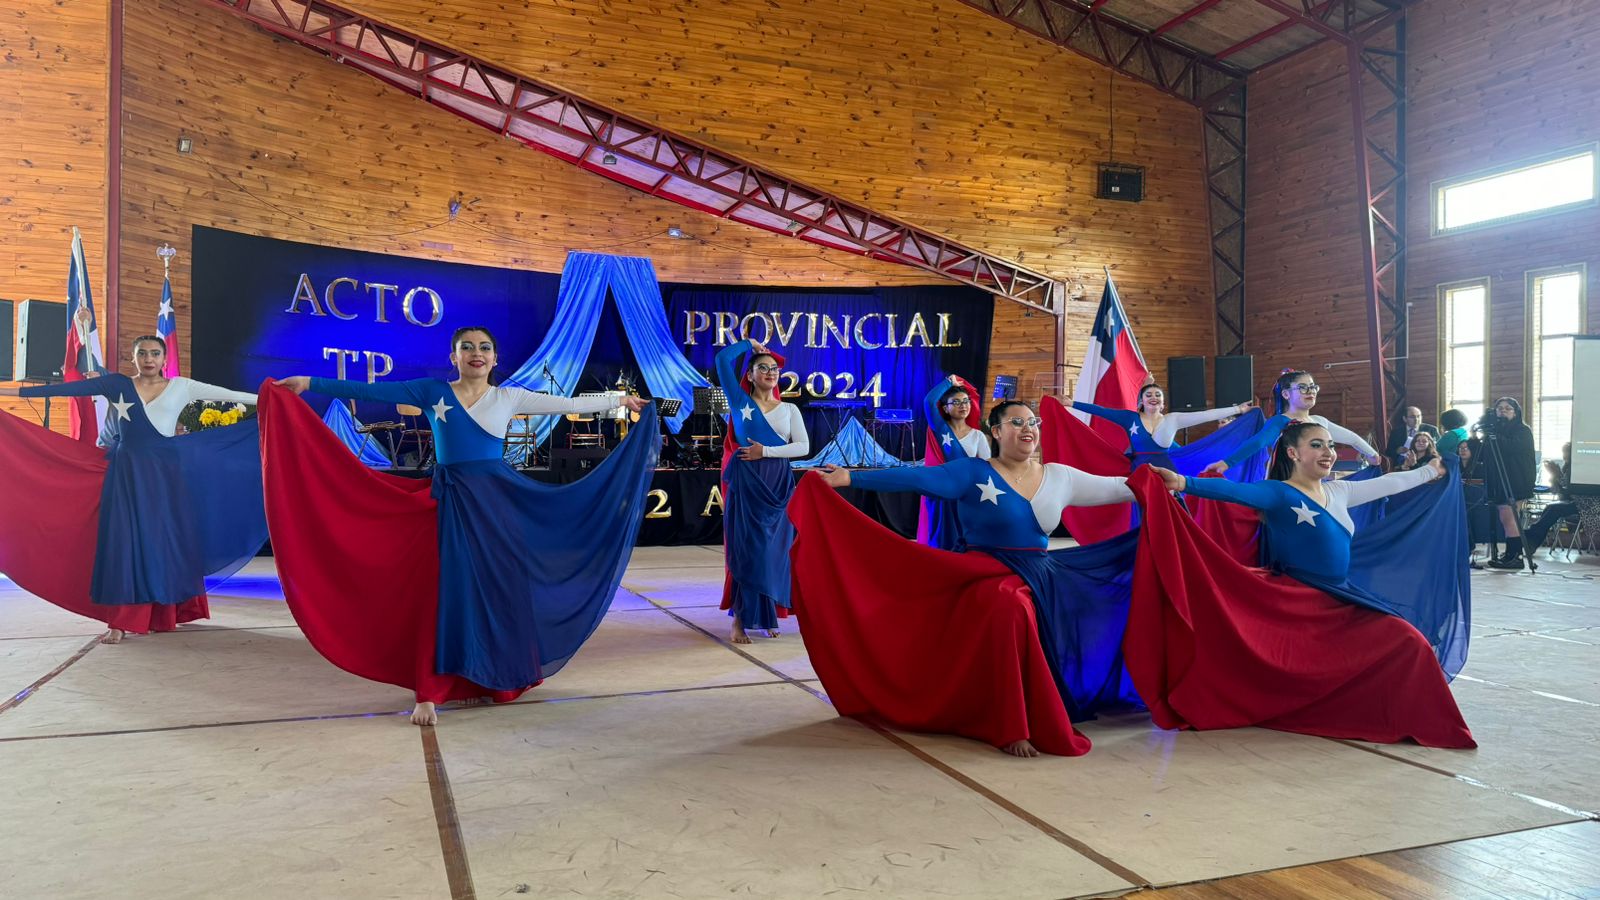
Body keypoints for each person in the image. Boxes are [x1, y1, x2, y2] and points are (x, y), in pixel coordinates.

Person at [269, 326, 656, 725]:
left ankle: (494, 679)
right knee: (442, 593)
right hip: (450, 504)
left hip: (496, 507)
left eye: (485, 347)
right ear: (453, 357)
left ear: (495, 358)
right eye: (466, 347)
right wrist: (309, 382)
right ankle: (430, 690)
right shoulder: (431, 391)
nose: (477, 353)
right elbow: (370, 391)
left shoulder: (509, 397)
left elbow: (568, 403)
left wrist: (620, 400)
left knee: (498, 590)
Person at [791, 399, 1140, 758]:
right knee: (1009, 606)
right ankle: (1010, 723)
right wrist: (851, 477)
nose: (1028, 429)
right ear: (996, 431)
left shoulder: (1060, 476)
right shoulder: (973, 472)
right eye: (1017, 422)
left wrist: (1161, 482)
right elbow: (917, 478)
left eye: (1032, 422)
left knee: (1094, 594)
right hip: (984, 571)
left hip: (1040, 573)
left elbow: (1119, 487)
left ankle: (1038, 705)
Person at [1132, 422, 1474, 748]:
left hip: (1340, 598)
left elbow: (1391, 483)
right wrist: (1182, 481)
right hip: (1297, 602)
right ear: (1293, 453)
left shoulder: (1340, 491)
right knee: (1393, 644)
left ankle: (1392, 714)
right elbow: (1234, 490)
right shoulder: (1279, 492)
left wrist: (1432, 471)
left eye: (1330, 445)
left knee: (1409, 641)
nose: (1328, 452)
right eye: (1317, 445)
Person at [0, 335, 265, 643]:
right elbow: (61, 390)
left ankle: (165, 611)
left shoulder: (183, 387)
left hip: (165, 475)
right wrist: (8, 390)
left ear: (164, 359)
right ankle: (121, 620)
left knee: (164, 540)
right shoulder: (116, 384)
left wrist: (275, 396)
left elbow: (234, 396)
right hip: (126, 474)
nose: (149, 358)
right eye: (142, 353)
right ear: (133, 358)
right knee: (123, 542)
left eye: (155, 353)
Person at [715, 339, 809, 644]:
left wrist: (765, 451)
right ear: (750, 375)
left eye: (774, 369)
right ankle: (740, 621)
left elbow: (803, 447)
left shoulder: (790, 409)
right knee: (746, 550)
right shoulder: (740, 402)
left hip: (778, 484)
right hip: (747, 484)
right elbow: (722, 360)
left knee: (774, 552)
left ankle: (767, 614)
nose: (770, 372)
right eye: (763, 368)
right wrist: (749, 344)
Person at [1203, 369, 1382, 476]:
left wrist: (1373, 455)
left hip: (1315, 483)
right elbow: (1258, 443)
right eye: (1303, 387)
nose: (1310, 391)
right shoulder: (1280, 421)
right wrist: (1227, 463)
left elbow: (1352, 438)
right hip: (1287, 484)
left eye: (1313, 387)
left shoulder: (1320, 421)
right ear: (1286, 394)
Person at [1062, 383, 1255, 471]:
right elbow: (1101, 411)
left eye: (1158, 395)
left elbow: (1206, 415)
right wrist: (1072, 404)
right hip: (1139, 471)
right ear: (1141, 402)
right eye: (1149, 395)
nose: (1153, 397)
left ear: (1163, 403)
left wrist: (1238, 409)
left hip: (1166, 471)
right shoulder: (1129, 418)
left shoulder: (1173, 419)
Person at [918, 374, 988, 550]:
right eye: (956, 402)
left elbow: (987, 466)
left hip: (966, 494)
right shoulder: (940, 429)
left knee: (966, 540)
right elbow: (929, 401)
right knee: (941, 539)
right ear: (945, 408)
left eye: (966, 401)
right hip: (941, 492)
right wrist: (948, 382)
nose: (963, 405)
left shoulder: (978, 435)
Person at [1481, 397, 1537, 570]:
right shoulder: (1495, 431)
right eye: (1499, 408)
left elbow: (1512, 447)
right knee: (1506, 517)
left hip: (1517, 480)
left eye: (1507, 408)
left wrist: (1494, 436)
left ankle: (1515, 556)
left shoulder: (1522, 430)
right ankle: (1510, 554)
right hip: (1500, 481)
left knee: (1510, 516)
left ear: (1516, 412)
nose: (1503, 411)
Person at [1524, 446, 1577, 558]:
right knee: (1550, 507)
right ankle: (1532, 540)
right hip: (1569, 501)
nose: (1565, 455)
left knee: (1553, 509)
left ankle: (1530, 536)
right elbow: (1558, 491)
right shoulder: (1566, 467)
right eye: (1564, 452)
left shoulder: (1578, 467)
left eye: (1567, 452)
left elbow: (1571, 488)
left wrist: (1558, 474)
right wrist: (1554, 476)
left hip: (1583, 504)